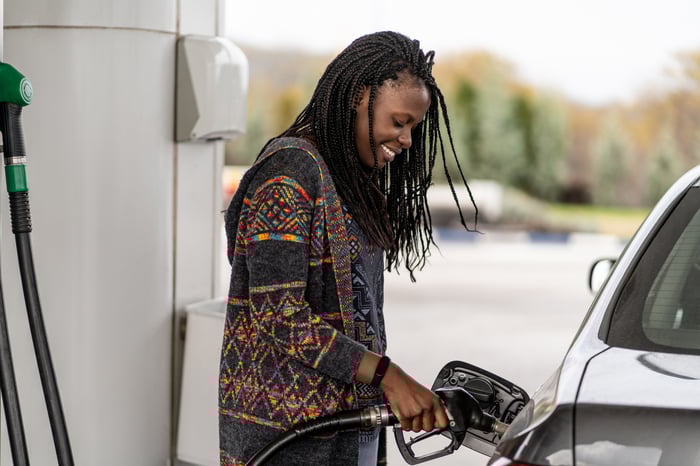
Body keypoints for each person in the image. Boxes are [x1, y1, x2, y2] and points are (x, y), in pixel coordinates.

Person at [219, 30, 477, 466]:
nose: (408, 140)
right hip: (289, 444)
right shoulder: (288, 174)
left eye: (414, 126)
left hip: (346, 430)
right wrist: (387, 375)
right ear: (359, 96)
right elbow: (278, 316)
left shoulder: (349, 181)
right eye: (399, 122)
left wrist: (388, 386)